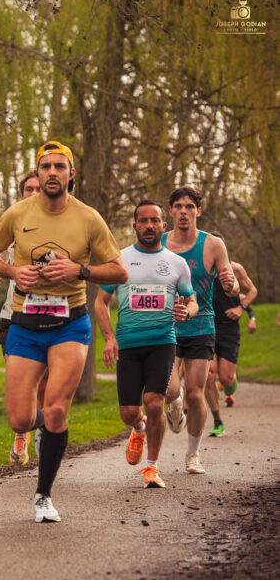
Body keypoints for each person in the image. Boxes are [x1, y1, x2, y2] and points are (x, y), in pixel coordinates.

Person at [0, 141, 127, 523]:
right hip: (26, 323)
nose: (52, 173)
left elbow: (119, 270)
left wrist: (80, 270)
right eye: (45, 167)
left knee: (58, 409)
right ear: (38, 171)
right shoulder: (17, 213)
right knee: (19, 419)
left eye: (60, 166)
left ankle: (43, 495)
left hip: (70, 322)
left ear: (71, 174)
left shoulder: (89, 218)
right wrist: (14, 272)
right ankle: (44, 428)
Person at [95, 200, 197, 489]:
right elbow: (100, 302)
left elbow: (192, 301)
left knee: (154, 404)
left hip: (162, 342)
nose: (149, 225)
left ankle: (151, 467)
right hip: (128, 344)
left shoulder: (176, 264)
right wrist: (109, 338)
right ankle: (137, 429)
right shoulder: (119, 259)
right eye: (143, 221)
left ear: (164, 225)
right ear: (134, 225)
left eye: (155, 220)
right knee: (129, 411)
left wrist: (186, 311)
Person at [161, 187, 238, 474]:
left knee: (195, 393)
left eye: (190, 207)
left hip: (202, 324)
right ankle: (174, 404)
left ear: (198, 211)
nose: (184, 211)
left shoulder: (213, 245)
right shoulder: (159, 243)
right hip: (166, 326)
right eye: (178, 206)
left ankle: (193, 455)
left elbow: (233, 283)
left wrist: (232, 285)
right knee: (169, 389)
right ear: (170, 211)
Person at [0, 170, 48, 466]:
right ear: (22, 193)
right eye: (28, 188)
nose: (33, 193)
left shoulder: (63, 224)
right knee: (18, 379)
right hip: (14, 315)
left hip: (51, 314)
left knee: (45, 383)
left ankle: (43, 427)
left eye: (38, 188)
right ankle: (21, 432)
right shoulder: (13, 222)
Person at [204, 232, 257, 432]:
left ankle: (231, 383)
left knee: (225, 379)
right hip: (207, 326)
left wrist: (241, 308)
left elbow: (252, 291)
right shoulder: (202, 270)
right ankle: (217, 421)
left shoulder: (235, 269)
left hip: (229, 328)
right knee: (209, 375)